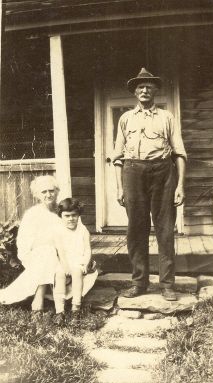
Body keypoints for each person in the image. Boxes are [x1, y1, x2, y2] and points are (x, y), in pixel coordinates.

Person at [113, 68, 187, 301]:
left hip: (163, 172)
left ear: (155, 90)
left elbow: (180, 153)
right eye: (140, 87)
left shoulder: (167, 117)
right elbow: (117, 157)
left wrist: (180, 186)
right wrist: (119, 186)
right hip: (133, 172)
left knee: (165, 228)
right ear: (134, 92)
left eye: (149, 86)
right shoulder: (125, 118)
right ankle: (139, 282)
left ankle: (167, 285)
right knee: (136, 228)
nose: (144, 90)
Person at [0, 175, 98, 319]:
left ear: (57, 191)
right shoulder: (33, 214)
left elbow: (79, 235)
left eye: (51, 191)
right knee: (48, 251)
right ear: (36, 195)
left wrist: (83, 258)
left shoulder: (65, 210)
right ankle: (38, 298)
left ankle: (68, 304)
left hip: (65, 255)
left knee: (59, 258)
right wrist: (51, 244)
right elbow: (25, 244)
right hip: (37, 255)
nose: (48, 194)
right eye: (44, 192)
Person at [53, 198, 94, 326]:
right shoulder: (59, 231)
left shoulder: (83, 230)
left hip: (79, 260)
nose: (71, 219)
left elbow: (88, 249)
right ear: (61, 216)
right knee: (59, 275)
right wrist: (65, 267)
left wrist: (85, 263)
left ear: (78, 215)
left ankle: (76, 308)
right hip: (64, 261)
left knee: (77, 271)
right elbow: (60, 252)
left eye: (74, 215)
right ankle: (60, 311)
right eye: (67, 216)